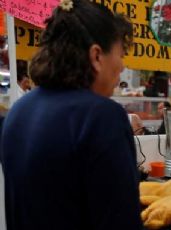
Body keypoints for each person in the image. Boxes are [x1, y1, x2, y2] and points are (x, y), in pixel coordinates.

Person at [0, 0, 141, 229]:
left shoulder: (19, 111)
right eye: (120, 54)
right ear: (96, 56)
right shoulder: (102, 117)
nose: (122, 66)